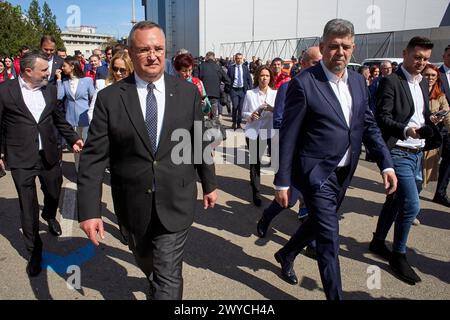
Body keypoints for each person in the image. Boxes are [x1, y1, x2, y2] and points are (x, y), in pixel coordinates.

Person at [77, 21, 218, 300]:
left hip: (176, 199)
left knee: (168, 275)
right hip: (132, 203)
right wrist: (89, 210)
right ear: (130, 52)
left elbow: (199, 141)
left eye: (158, 49)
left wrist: (209, 183)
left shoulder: (188, 92)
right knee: (146, 261)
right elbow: (93, 159)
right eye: (144, 50)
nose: (152, 55)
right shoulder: (110, 99)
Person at [273, 19, 397, 300]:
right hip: (317, 174)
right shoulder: (304, 84)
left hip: (345, 173)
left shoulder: (358, 81)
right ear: (322, 47)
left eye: (345, 46)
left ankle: (286, 252)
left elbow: (367, 125)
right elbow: (288, 135)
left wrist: (385, 163)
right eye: (333, 46)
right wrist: (282, 181)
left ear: (353, 48)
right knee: (329, 238)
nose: (339, 52)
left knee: (318, 223)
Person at [0, 51, 83, 277]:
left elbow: (59, 119)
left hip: (48, 154)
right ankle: (34, 251)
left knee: (54, 193)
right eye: (44, 70)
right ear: (28, 71)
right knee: (27, 206)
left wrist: (74, 139)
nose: (50, 72)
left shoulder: (51, 90)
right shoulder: (5, 91)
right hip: (20, 157)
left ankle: (49, 214)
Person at [370, 37, 441, 285]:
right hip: (398, 150)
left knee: (394, 201)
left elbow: (419, 115)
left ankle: (378, 241)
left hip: (417, 152)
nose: (421, 62)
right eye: (417, 57)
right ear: (405, 54)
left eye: (425, 58)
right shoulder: (391, 81)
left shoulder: (422, 83)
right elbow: (382, 117)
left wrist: (430, 123)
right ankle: (398, 254)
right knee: (411, 205)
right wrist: (406, 130)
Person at [257, 47, 322, 260]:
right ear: (302, 64)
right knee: (289, 200)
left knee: (317, 204)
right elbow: (279, 119)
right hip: (296, 154)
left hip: (319, 158)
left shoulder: (328, 87)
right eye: (314, 63)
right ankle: (266, 217)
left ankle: (310, 243)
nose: (320, 66)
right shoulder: (289, 87)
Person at [242, 65, 277, 207]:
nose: (264, 78)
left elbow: (281, 112)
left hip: (270, 132)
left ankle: (279, 189)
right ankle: (256, 192)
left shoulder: (275, 93)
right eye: (262, 75)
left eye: (267, 76)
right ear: (257, 77)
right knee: (255, 163)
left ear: (270, 78)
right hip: (253, 132)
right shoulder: (250, 94)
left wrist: (271, 109)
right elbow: (243, 113)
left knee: (276, 162)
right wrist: (251, 115)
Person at [56, 56, 95, 171]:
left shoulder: (87, 80)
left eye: (64, 66)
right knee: (76, 147)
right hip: (71, 119)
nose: (62, 68)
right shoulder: (65, 81)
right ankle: (79, 169)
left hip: (85, 116)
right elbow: (59, 96)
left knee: (87, 145)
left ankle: (88, 169)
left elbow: (93, 97)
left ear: (72, 66)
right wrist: (58, 80)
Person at [421, 63, 450, 188]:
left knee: (423, 177)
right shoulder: (414, 90)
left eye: (433, 75)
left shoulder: (440, 96)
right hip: (415, 137)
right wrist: (428, 118)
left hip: (431, 141)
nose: (430, 78)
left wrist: (442, 118)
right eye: (427, 75)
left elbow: (447, 114)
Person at [434, 44, 450, 207]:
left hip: (449, 127)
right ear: (444, 55)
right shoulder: (436, 74)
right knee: (429, 161)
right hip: (436, 125)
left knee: (448, 159)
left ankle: (440, 192)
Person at [227, 53, 252, 130]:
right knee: (235, 106)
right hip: (234, 90)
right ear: (235, 59)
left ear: (242, 59)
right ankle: (234, 122)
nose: (239, 60)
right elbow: (227, 79)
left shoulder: (245, 68)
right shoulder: (231, 68)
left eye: (240, 58)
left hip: (242, 90)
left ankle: (239, 123)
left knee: (241, 108)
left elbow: (249, 79)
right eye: (237, 58)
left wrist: (250, 89)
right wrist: (228, 89)